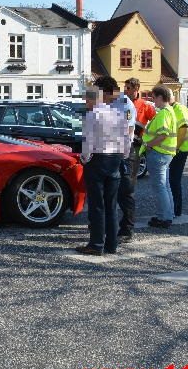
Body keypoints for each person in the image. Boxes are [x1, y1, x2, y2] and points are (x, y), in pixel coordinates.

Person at [75, 76, 130, 256]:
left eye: (86, 100)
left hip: (98, 159)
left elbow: (87, 141)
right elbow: (126, 138)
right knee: (111, 204)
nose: (86, 104)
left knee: (97, 205)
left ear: (92, 99)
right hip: (115, 158)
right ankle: (111, 244)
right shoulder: (118, 113)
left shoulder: (92, 115)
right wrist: (123, 155)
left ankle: (96, 244)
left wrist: (84, 158)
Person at [140, 85, 177, 229]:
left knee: (159, 187)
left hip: (159, 153)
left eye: (154, 97)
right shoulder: (170, 111)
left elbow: (163, 134)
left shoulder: (163, 113)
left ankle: (164, 217)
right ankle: (168, 214)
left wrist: (149, 144)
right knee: (165, 186)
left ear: (161, 97)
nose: (152, 100)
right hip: (166, 153)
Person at [112, 85, 137, 242]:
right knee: (112, 192)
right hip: (113, 151)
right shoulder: (110, 103)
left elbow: (128, 129)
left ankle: (127, 229)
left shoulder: (125, 104)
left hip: (124, 153)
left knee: (125, 193)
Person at [169, 93, 188, 218]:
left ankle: (176, 209)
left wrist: (176, 148)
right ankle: (175, 208)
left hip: (180, 149)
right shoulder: (175, 108)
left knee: (174, 180)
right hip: (179, 148)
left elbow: (183, 128)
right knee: (173, 179)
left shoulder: (179, 109)